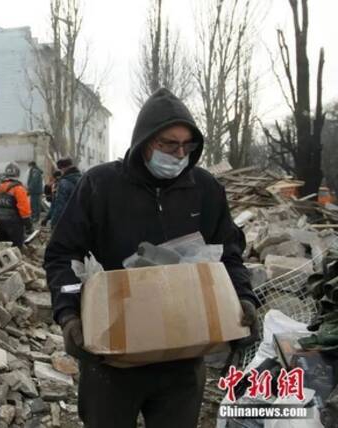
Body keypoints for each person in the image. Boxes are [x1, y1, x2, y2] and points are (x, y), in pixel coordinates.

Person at [44, 88, 259, 428]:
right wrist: (69, 314)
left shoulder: (204, 190)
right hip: (113, 356)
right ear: (145, 141)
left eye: (187, 145)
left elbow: (228, 254)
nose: (179, 154)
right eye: (169, 144)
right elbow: (62, 254)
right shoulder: (100, 185)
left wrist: (243, 298)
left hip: (183, 354)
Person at [0, 163, 33, 247]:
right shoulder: (18, 188)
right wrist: (29, 225)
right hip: (14, 221)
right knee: (16, 246)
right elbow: (24, 208)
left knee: (3, 245)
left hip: (0, 219)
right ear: (17, 174)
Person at [46, 157, 81, 227]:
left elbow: (60, 205)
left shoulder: (64, 182)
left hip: (66, 220)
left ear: (63, 168)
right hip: (80, 220)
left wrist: (54, 222)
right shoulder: (82, 179)